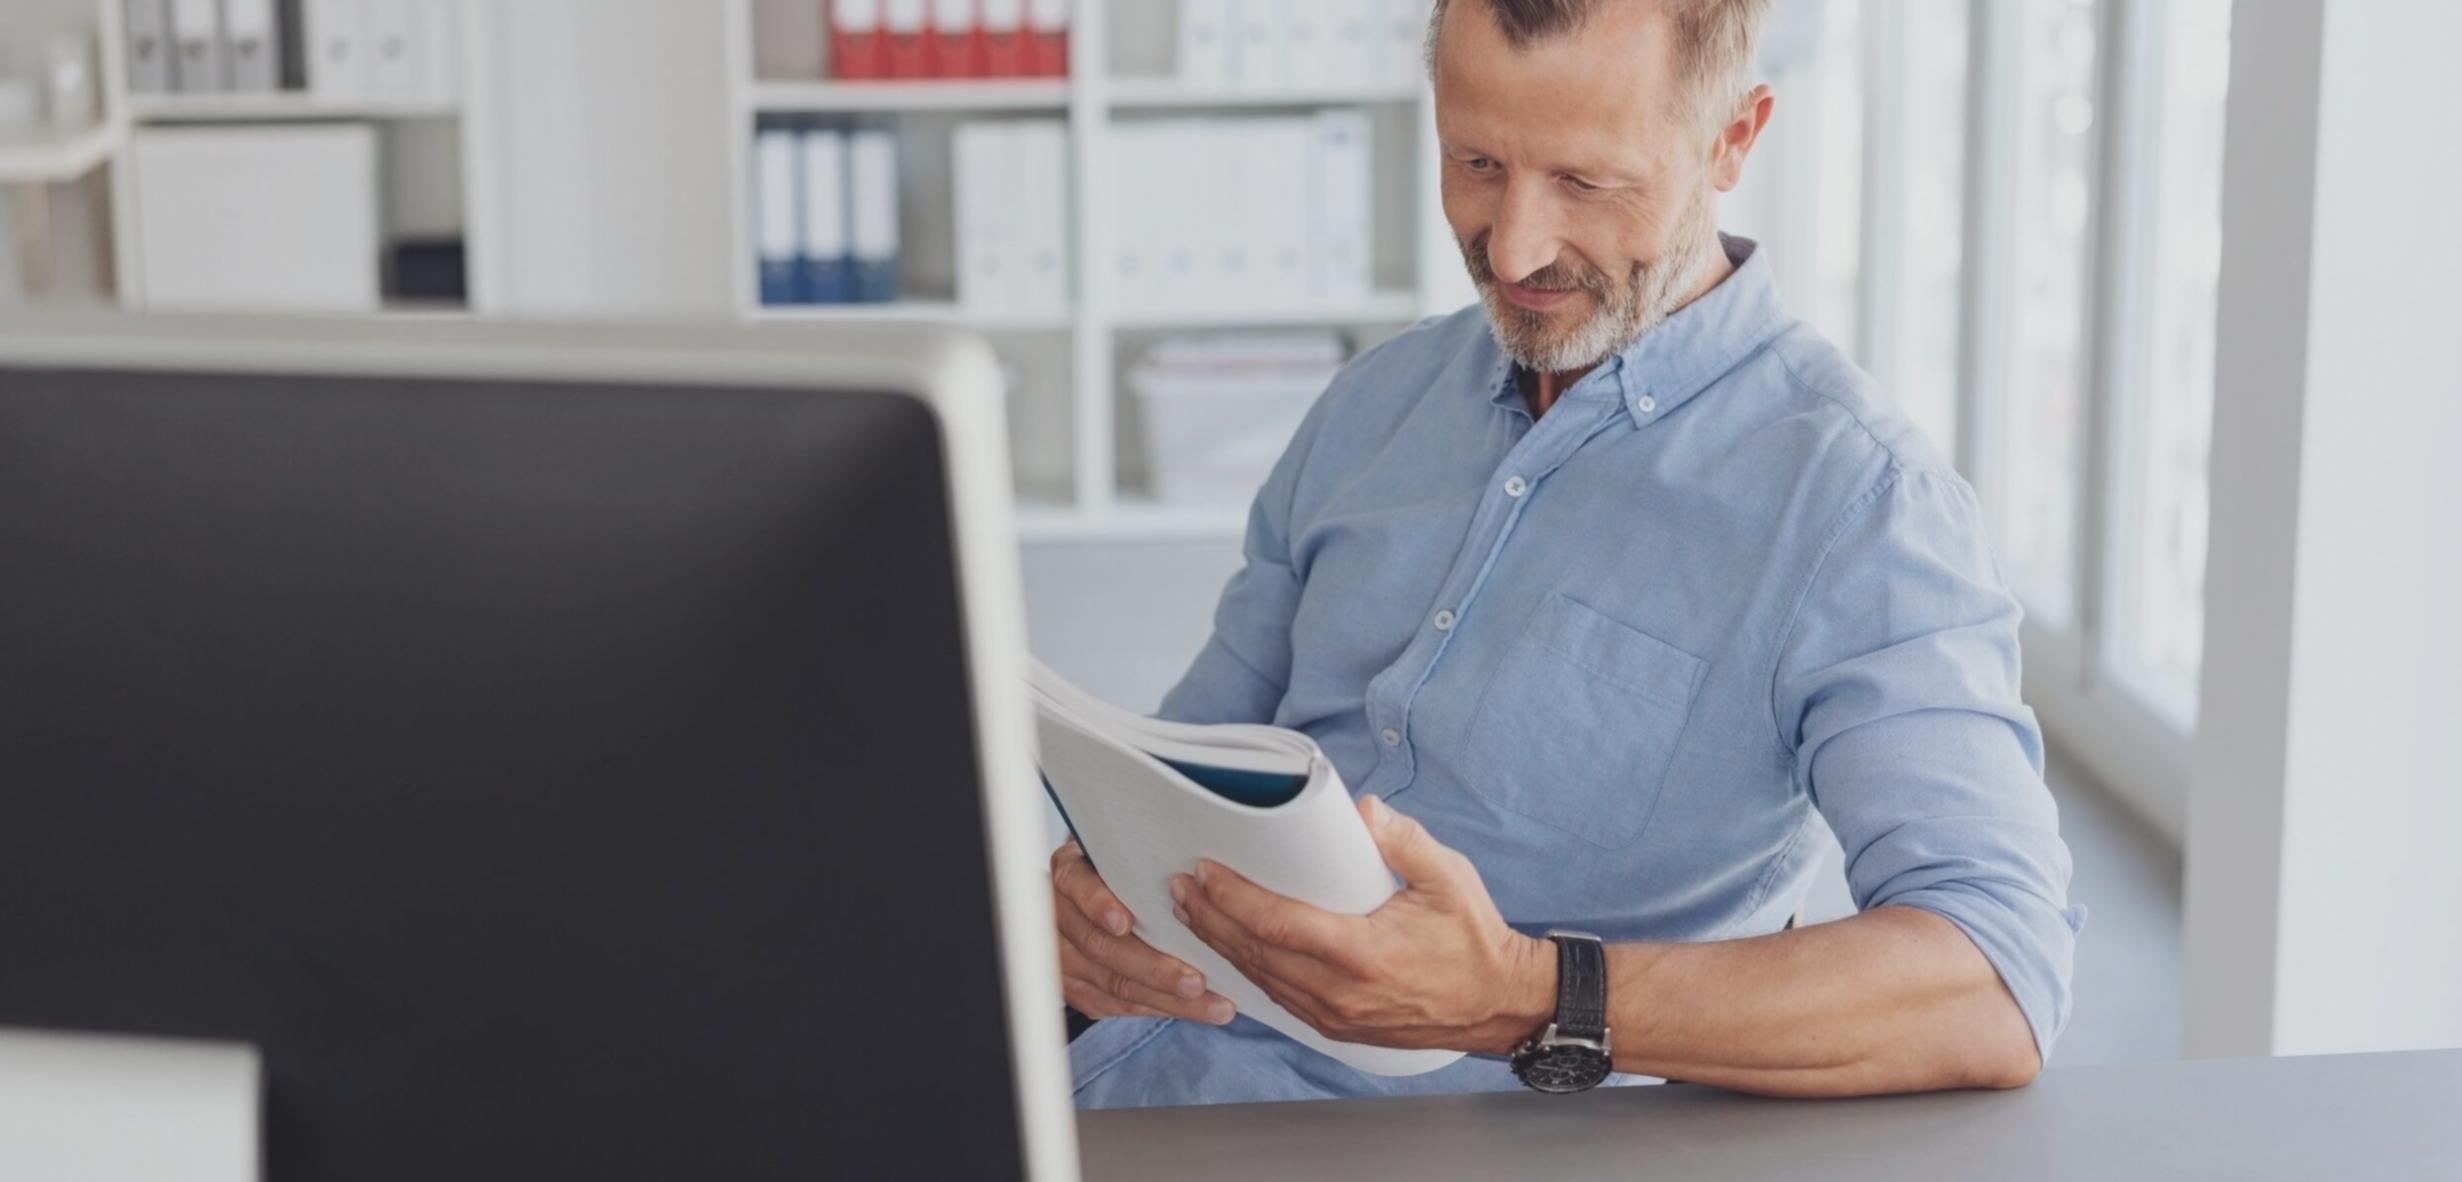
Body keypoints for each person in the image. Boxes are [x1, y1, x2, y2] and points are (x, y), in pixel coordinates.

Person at [1056, 0, 2083, 1107]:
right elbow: (1189, 759)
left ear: (1733, 137)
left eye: (1587, 184)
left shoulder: (1858, 502)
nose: (1513, 246)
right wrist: (1084, 898)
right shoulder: (1372, 404)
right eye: (1474, 162)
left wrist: (1519, 995)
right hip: (1117, 1078)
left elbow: (1994, 979)